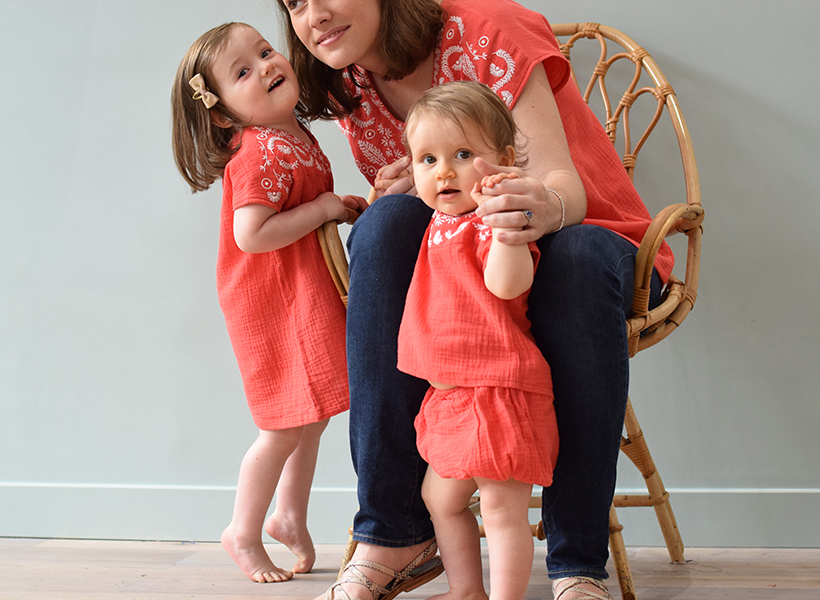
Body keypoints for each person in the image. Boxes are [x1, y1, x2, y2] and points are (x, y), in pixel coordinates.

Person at [275, 1, 673, 599]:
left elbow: (563, 186)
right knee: (384, 226)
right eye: (293, 1)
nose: (314, 14)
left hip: (593, 243)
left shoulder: (485, 29)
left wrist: (528, 210)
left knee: (575, 259)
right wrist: (423, 179)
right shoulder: (351, 80)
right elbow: (433, 207)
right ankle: (394, 532)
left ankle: (577, 563)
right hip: (473, 284)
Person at [170, 22, 366, 584]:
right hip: (274, 305)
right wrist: (326, 207)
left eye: (263, 51)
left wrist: (337, 205)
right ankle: (243, 530)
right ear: (223, 115)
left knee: (313, 415)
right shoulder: (261, 150)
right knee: (282, 426)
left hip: (301, 293)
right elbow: (251, 234)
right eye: (241, 71)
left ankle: (288, 515)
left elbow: (301, 211)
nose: (264, 65)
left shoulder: (293, 134)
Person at [398, 81, 559, 600]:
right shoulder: (438, 221)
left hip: (496, 389)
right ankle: (467, 591)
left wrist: (509, 228)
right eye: (427, 159)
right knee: (438, 498)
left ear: (504, 163)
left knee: (501, 507)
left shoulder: (492, 224)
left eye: (463, 155)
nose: (443, 171)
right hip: (450, 396)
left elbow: (508, 285)